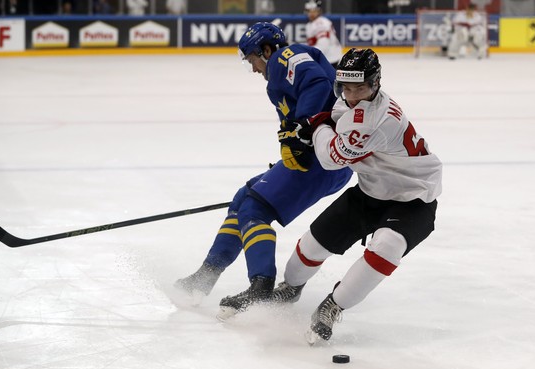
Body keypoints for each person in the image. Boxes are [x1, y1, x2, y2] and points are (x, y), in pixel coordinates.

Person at [174, 22, 353, 319]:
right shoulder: (279, 75)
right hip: (319, 160)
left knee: (254, 209)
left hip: (323, 162)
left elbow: (317, 83)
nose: (255, 68)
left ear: (267, 49)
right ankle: (206, 275)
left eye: (253, 59)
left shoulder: (286, 57)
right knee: (244, 197)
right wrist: (295, 139)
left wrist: (300, 128)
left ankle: (260, 285)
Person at [275, 48, 442, 344]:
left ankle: (332, 305)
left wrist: (314, 128)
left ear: (375, 83)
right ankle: (290, 288)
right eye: (346, 87)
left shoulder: (373, 120)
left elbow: (331, 158)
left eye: (360, 88)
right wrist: (318, 125)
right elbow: (335, 120)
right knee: (310, 248)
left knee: (387, 246)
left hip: (413, 198)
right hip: (371, 190)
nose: (351, 96)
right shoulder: (352, 102)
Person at [304, 0, 342, 67]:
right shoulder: (311, 24)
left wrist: (306, 55)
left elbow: (323, 46)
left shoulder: (320, 23)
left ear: (319, 11)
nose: (311, 14)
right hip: (328, 59)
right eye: (309, 11)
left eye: (314, 11)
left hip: (331, 60)